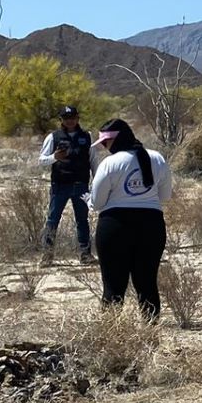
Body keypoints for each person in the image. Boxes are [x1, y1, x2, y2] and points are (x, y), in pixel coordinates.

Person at [89, 118, 171, 316]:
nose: (105, 147)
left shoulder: (110, 163)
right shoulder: (157, 158)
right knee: (147, 284)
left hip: (115, 226)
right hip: (151, 225)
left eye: (106, 142)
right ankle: (151, 334)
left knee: (113, 286)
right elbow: (165, 196)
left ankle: (112, 336)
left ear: (115, 140)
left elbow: (98, 202)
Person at [37, 104, 95, 265]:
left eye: (73, 118)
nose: (70, 121)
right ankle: (47, 255)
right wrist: (55, 157)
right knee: (53, 219)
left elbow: (93, 160)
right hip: (60, 185)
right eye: (66, 118)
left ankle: (85, 254)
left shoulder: (87, 136)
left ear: (78, 118)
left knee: (82, 219)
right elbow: (41, 160)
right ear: (61, 120)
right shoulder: (53, 137)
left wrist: (96, 180)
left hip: (81, 185)